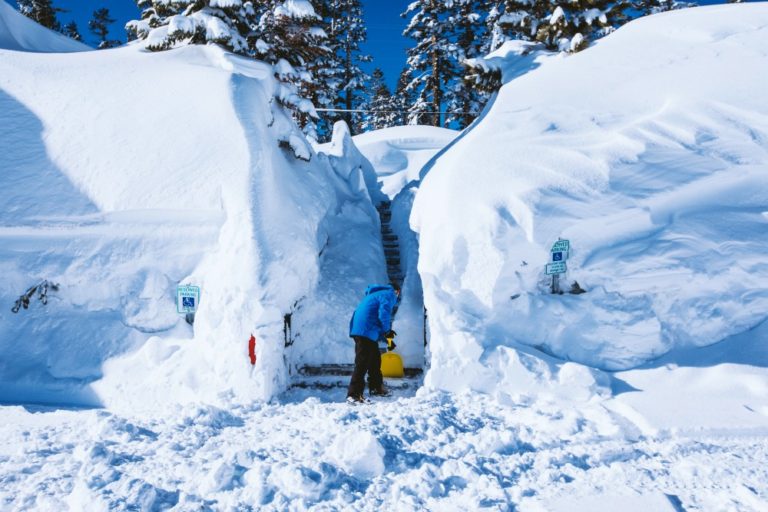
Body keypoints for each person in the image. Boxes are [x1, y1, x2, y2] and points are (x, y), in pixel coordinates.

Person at [347, 282, 400, 403]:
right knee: (362, 362)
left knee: (375, 359)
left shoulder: (376, 294)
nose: (396, 298)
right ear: (397, 291)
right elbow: (384, 313)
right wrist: (387, 331)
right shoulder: (389, 294)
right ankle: (353, 394)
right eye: (398, 295)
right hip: (365, 330)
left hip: (363, 329)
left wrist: (385, 333)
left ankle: (376, 388)